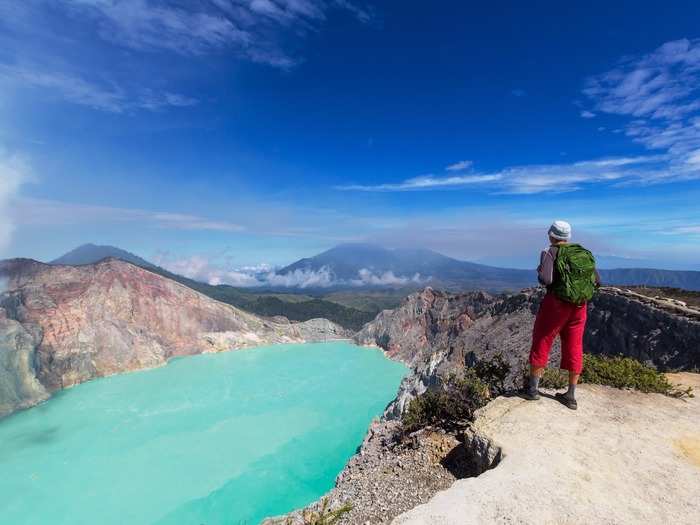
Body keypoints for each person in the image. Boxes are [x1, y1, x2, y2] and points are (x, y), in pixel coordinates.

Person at [523, 220, 600, 410]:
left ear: (551, 235)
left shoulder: (550, 251)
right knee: (574, 345)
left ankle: (533, 390)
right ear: (569, 236)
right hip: (579, 306)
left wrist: (542, 268)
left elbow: (545, 279)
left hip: (556, 305)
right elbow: (598, 281)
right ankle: (571, 395)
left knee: (542, 339)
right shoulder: (582, 253)